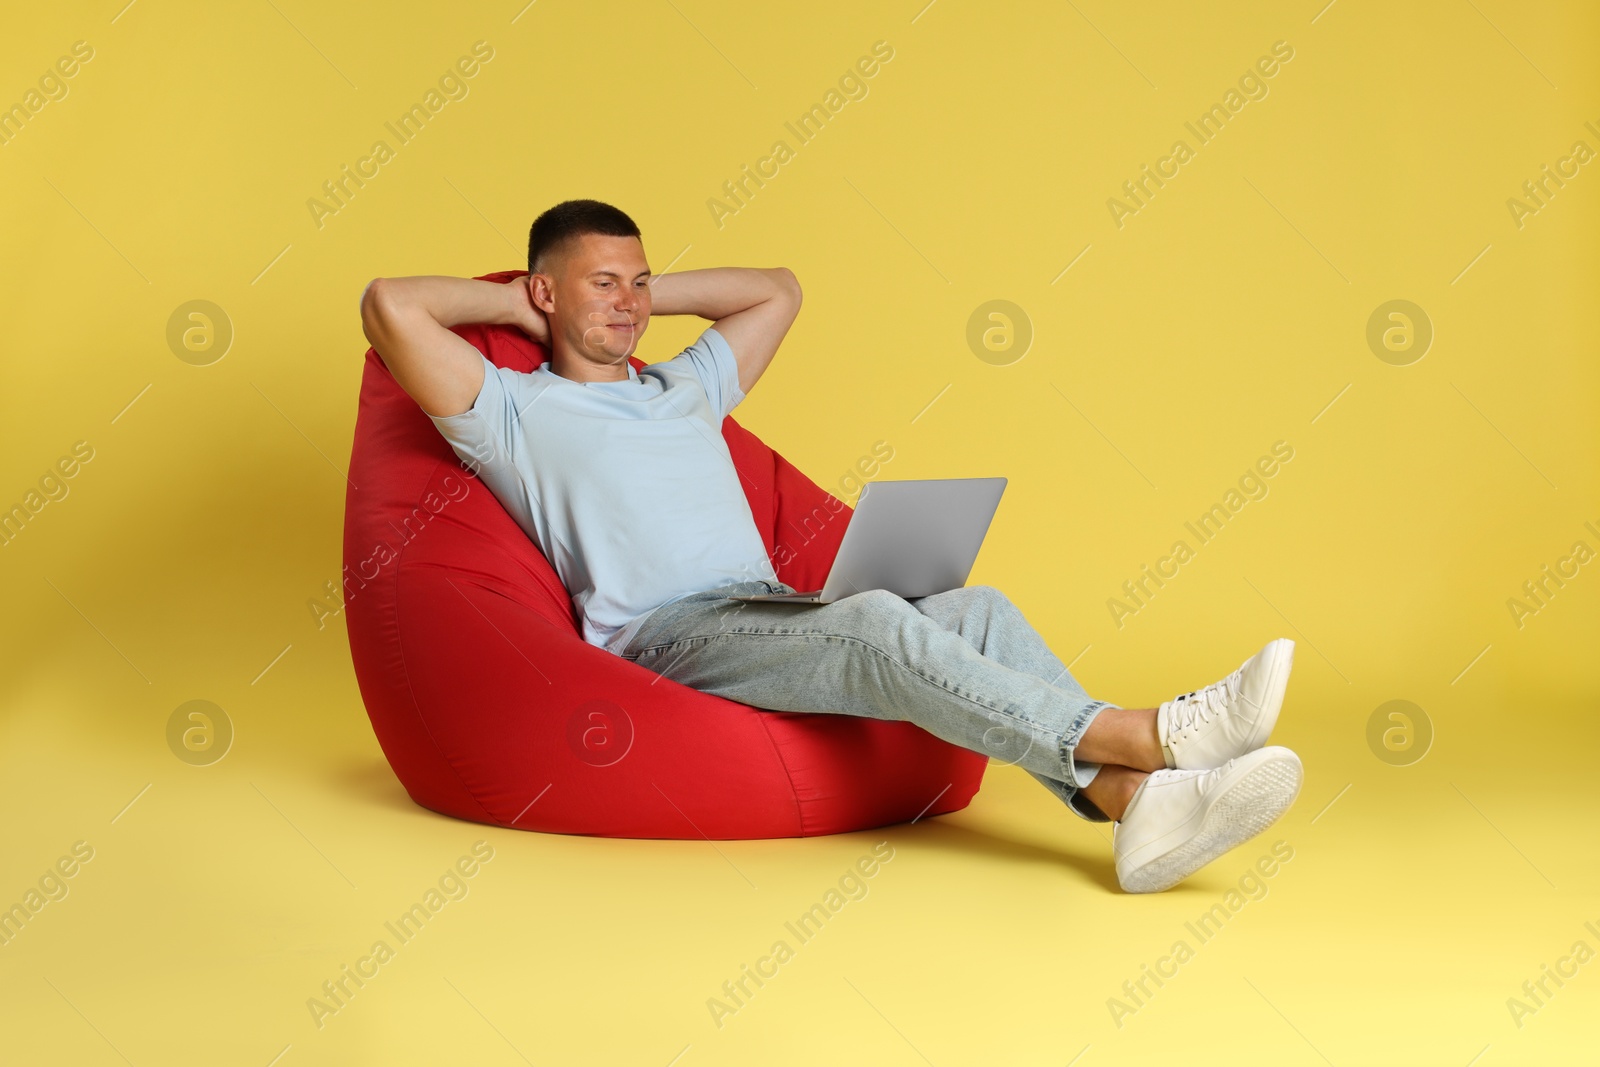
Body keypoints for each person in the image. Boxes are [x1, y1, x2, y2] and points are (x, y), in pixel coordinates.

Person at [358, 198, 1304, 893]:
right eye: (604, 283)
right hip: (667, 637)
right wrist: (529, 313)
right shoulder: (516, 412)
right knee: (877, 627)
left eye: (639, 281)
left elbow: (778, 291)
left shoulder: (680, 388)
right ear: (543, 288)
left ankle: (1130, 806)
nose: (630, 303)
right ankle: (1149, 734)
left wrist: (635, 299)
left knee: (980, 609)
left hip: (769, 610)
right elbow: (390, 306)